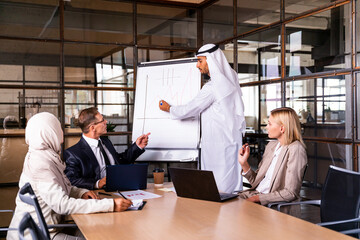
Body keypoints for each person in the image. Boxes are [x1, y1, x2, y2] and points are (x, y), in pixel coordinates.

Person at [7, 112, 132, 240]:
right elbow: (62, 204)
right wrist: (110, 205)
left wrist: (81, 193)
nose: (61, 132)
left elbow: (61, 185)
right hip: (40, 234)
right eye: (58, 128)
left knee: (97, 231)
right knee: (97, 234)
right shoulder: (40, 163)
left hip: (47, 227)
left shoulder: (44, 155)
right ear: (49, 132)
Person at [159, 44, 245, 193]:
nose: (197, 65)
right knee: (229, 189)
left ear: (211, 61)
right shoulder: (230, 81)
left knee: (216, 189)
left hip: (216, 147)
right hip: (230, 143)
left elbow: (190, 109)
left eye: (200, 61)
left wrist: (169, 108)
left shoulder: (213, 87)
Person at [237, 107, 307, 209]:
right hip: (253, 196)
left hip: (269, 204)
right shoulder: (271, 146)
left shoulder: (296, 149)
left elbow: (290, 193)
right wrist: (244, 164)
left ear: (282, 128)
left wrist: (256, 198)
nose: (266, 127)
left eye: (269, 124)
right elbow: (256, 182)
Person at [65, 107, 150, 190]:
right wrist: (97, 183)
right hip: (97, 197)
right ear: (92, 128)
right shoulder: (73, 153)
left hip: (119, 191)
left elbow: (120, 162)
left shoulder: (106, 142)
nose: (106, 122)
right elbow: (71, 180)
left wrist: (138, 146)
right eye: (102, 120)